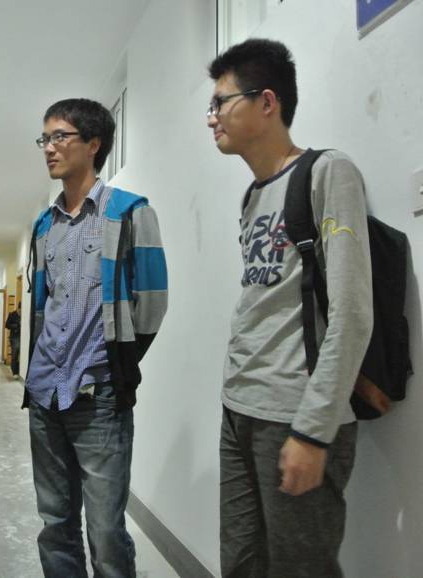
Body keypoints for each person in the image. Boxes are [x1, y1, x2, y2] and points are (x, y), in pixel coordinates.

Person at [208, 39, 373, 577]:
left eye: (221, 102)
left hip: (295, 414)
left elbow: (352, 312)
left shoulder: (328, 172)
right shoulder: (252, 195)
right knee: (240, 564)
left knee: (300, 568)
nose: (211, 117)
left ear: (266, 102)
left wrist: (313, 429)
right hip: (240, 406)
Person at [25, 98, 168, 577]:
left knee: (106, 532)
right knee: (55, 524)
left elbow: (152, 303)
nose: (49, 148)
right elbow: (43, 306)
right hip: (45, 394)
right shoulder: (44, 224)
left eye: (60, 136)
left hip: (99, 395)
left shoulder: (129, 212)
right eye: (45, 138)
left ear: (93, 144)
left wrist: (118, 362)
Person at [5, 304, 21, 375]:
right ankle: (14, 372)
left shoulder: (25, 315)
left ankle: (19, 371)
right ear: (18, 308)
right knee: (15, 354)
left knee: (21, 355)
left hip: (22, 336)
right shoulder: (12, 314)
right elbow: (7, 325)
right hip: (14, 337)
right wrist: (16, 326)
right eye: (20, 310)